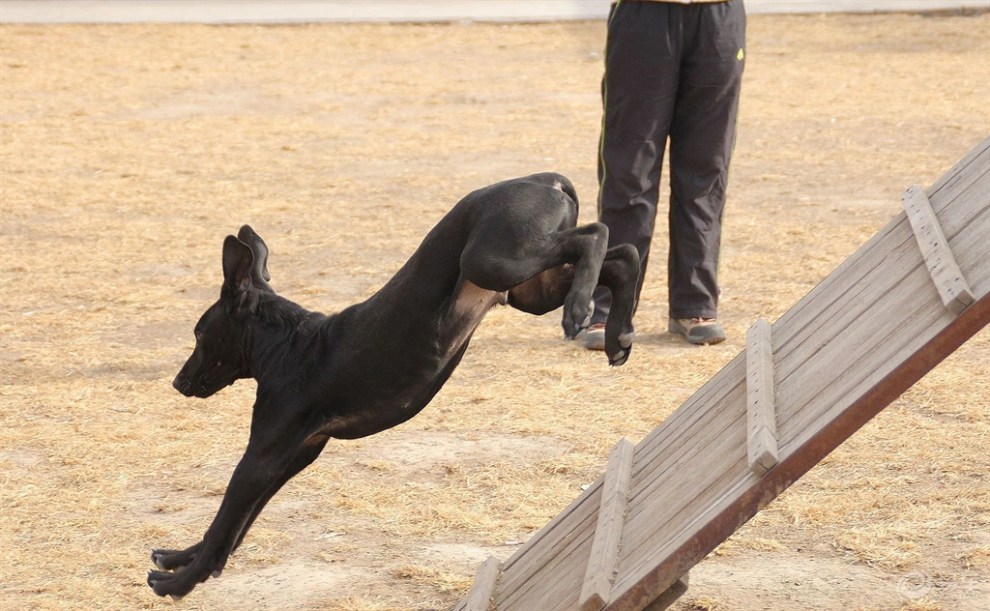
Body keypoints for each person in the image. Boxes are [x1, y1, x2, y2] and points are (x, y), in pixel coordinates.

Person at [580, 0, 746, 348]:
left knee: (707, 167)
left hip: (718, 17)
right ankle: (610, 309)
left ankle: (695, 305)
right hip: (645, 15)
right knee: (631, 170)